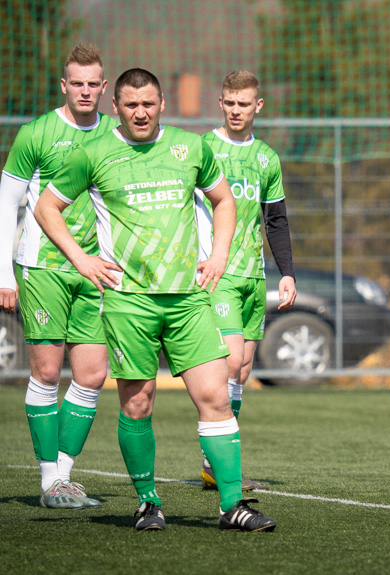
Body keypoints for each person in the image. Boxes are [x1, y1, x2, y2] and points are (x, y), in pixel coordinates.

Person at [33, 68, 276, 532]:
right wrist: (82, 260)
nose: (140, 112)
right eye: (130, 105)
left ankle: (232, 506)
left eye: (148, 103)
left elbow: (224, 201)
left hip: (187, 300)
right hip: (129, 303)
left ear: (162, 103)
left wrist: (219, 254)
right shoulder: (94, 153)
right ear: (115, 108)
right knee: (137, 405)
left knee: (217, 398)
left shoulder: (190, 147)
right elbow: (47, 208)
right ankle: (148, 502)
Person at [0, 43, 118, 510]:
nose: (85, 91)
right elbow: (6, 206)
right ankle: (49, 480)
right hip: (43, 268)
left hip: (98, 273)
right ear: (63, 85)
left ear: (104, 88)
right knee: (47, 371)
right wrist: (3, 273)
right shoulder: (36, 134)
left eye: (94, 84)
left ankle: (63, 480)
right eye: (78, 83)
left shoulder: (117, 134)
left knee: (91, 375)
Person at [196, 70, 297, 492]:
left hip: (253, 275)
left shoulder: (266, 159)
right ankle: (223, 468)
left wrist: (287, 271)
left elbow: (275, 220)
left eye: (244, 104)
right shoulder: (202, 149)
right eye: (230, 103)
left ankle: (212, 463)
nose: (236, 110)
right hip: (215, 274)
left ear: (259, 106)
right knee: (231, 362)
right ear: (221, 103)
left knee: (242, 373)